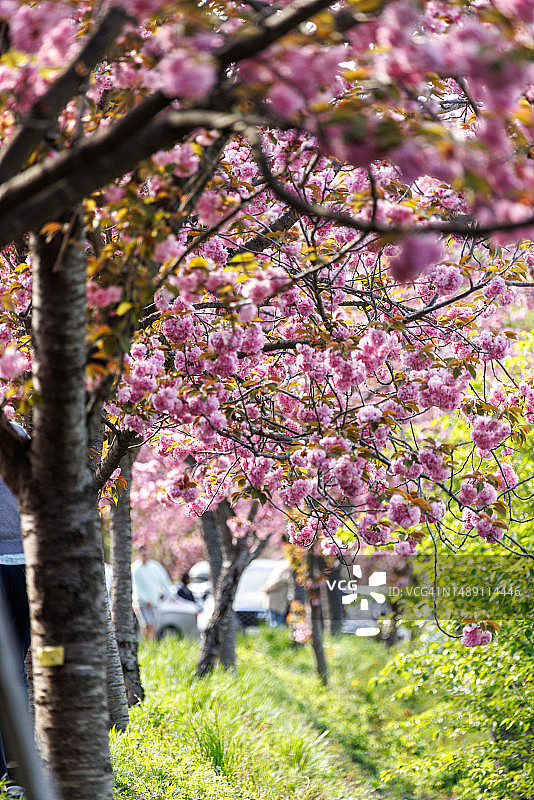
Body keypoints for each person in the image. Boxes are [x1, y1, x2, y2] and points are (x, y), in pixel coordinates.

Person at [0, 426, 31, 796]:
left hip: (14, 563)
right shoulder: (18, 433)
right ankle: (17, 772)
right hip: (25, 564)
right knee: (15, 672)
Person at [131, 545, 173, 640]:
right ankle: (146, 644)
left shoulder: (155, 567)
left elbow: (164, 581)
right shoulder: (135, 568)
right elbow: (136, 587)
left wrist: (171, 595)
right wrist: (145, 599)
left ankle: (151, 644)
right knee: (146, 625)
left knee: (152, 625)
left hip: (154, 602)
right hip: (141, 603)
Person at [261, 558, 292, 627]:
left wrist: (266, 587)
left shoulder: (281, 565)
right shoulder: (286, 566)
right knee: (276, 625)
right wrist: (268, 588)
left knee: (273, 623)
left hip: (272, 601)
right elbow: (282, 580)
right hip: (277, 602)